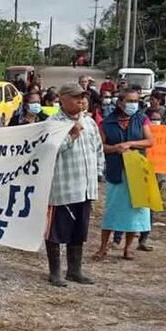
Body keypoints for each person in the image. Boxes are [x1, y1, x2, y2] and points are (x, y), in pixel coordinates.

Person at [45, 83, 105, 287]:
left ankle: (74, 270)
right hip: (62, 188)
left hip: (85, 187)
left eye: (83, 96)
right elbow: (48, 151)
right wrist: (72, 136)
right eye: (75, 96)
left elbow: (98, 149)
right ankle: (55, 272)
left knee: (79, 230)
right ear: (62, 98)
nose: (80, 100)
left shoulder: (89, 122)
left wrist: (97, 173)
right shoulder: (53, 123)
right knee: (55, 231)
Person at [96, 88, 154, 261]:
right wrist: (115, 148)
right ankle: (103, 246)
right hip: (116, 170)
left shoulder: (141, 119)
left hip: (137, 169)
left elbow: (150, 141)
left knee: (136, 209)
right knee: (112, 209)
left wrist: (130, 143)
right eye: (129, 101)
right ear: (120, 103)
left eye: (135, 101)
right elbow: (100, 146)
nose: (133, 104)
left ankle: (128, 248)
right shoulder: (107, 123)